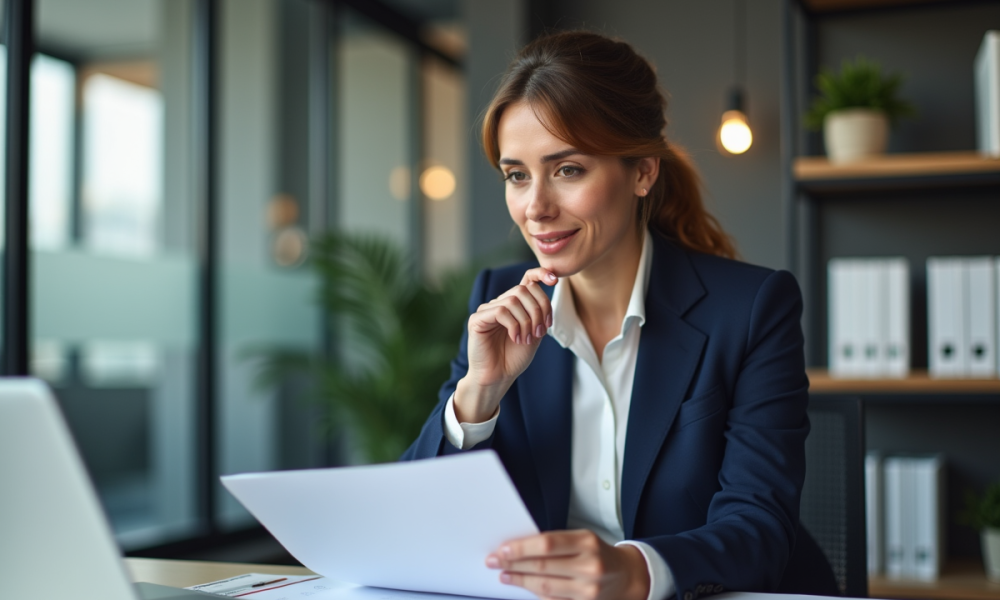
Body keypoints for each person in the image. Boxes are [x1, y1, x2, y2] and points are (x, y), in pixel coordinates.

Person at [402, 31, 837, 600]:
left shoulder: (753, 309)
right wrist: (478, 394)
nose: (535, 208)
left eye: (568, 170)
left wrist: (635, 571)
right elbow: (418, 515)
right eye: (517, 175)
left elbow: (758, 529)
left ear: (642, 173)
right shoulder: (498, 301)